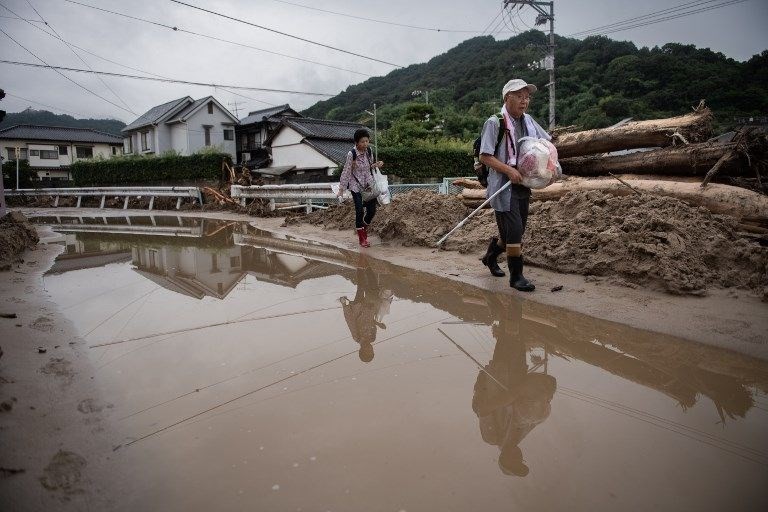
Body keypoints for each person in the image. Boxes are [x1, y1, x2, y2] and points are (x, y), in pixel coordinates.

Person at [478, 79, 551, 291]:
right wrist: (509, 170)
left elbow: (545, 142)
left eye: (527, 97)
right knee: (515, 232)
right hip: (503, 186)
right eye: (519, 96)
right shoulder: (495, 122)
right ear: (507, 98)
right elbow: (485, 156)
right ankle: (516, 276)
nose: (524, 101)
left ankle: (490, 257)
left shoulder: (528, 121)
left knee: (511, 234)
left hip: (523, 185)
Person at [472, 298, 556, 477]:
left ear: (503, 458)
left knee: (510, 337)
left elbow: (483, 408)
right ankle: (501, 306)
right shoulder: (519, 436)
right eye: (520, 461)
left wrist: (513, 395)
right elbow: (531, 416)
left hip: (501, 377)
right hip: (518, 377)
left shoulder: (492, 437)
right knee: (515, 338)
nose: (519, 457)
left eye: (514, 461)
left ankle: (509, 302)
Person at [337, 128, 385, 248]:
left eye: (367, 141)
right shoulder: (351, 154)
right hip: (356, 185)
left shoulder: (369, 151)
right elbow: (346, 171)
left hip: (368, 184)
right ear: (356, 142)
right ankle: (362, 237)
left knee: (372, 211)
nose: (365, 144)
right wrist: (341, 189)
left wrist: (376, 164)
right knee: (359, 210)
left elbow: (369, 166)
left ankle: (363, 227)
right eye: (362, 142)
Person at [339, 263, 391, 362]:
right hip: (370, 308)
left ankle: (361, 266)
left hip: (358, 307)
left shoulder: (357, 337)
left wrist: (344, 305)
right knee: (374, 288)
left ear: (361, 350)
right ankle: (366, 267)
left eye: (367, 351)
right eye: (371, 351)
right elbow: (371, 322)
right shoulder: (372, 337)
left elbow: (350, 321)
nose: (370, 348)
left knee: (361, 286)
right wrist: (379, 324)